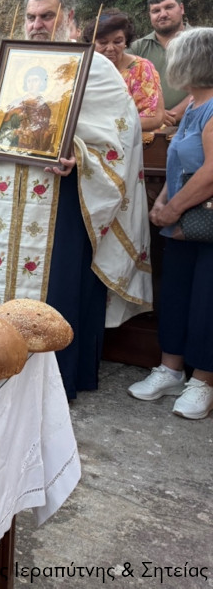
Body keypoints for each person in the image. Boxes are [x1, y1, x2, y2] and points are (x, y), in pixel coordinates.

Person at [0, 0, 152, 400]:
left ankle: (51, 382)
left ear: (71, 19)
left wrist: (80, 155)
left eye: (47, 15)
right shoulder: (10, 65)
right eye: (31, 16)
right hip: (2, 191)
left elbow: (120, 135)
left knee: (55, 287)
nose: (38, 24)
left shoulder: (95, 68)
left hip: (62, 199)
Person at [128, 28, 213, 419]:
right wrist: (162, 202)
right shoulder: (195, 105)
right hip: (181, 219)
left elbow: (211, 173)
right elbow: (178, 162)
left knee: (206, 302)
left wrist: (172, 209)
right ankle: (170, 369)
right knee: (176, 295)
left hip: (203, 223)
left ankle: (203, 382)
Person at [84, 9, 165, 132]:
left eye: (118, 41)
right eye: (103, 42)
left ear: (126, 42)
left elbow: (155, 118)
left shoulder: (141, 69)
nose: (110, 48)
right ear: (92, 43)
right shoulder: (84, 70)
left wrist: (107, 129)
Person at [129, 0, 191, 123]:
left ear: (181, 8)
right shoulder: (136, 48)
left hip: (197, 127)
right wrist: (153, 117)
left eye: (169, 7)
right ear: (150, 15)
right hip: (148, 132)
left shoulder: (203, 42)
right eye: (156, 10)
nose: (162, 14)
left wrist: (171, 115)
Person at [0, 66, 56, 154]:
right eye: (29, 81)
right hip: (14, 150)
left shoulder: (45, 108)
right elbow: (2, 133)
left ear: (42, 83)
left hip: (33, 153)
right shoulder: (16, 104)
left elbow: (42, 139)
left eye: (35, 80)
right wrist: (16, 132)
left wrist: (48, 133)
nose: (31, 84)